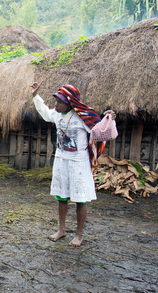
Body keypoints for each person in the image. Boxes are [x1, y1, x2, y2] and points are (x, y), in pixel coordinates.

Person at [31, 82, 116, 247]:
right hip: (61, 161)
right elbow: (44, 112)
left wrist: (109, 118)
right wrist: (35, 96)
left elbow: (101, 132)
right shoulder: (57, 115)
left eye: (60, 102)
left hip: (78, 163)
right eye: (55, 101)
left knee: (80, 199)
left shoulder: (84, 117)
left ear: (70, 103)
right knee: (61, 197)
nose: (56, 105)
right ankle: (61, 230)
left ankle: (78, 234)